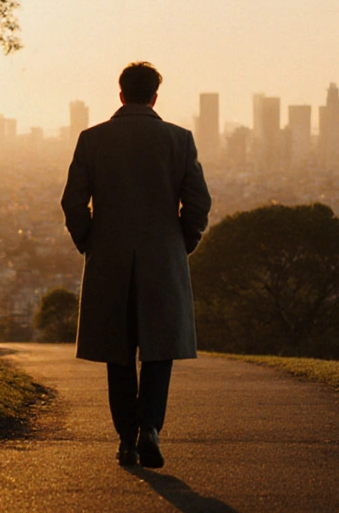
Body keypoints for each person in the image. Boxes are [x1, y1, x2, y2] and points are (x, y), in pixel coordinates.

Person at [60, 62, 212, 468]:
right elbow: (198, 204)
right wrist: (182, 244)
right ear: (155, 97)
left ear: (121, 94)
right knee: (159, 351)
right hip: (163, 258)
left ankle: (126, 439)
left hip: (109, 260)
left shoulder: (92, 140)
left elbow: (73, 202)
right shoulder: (179, 140)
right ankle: (151, 429)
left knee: (119, 352)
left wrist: (90, 241)